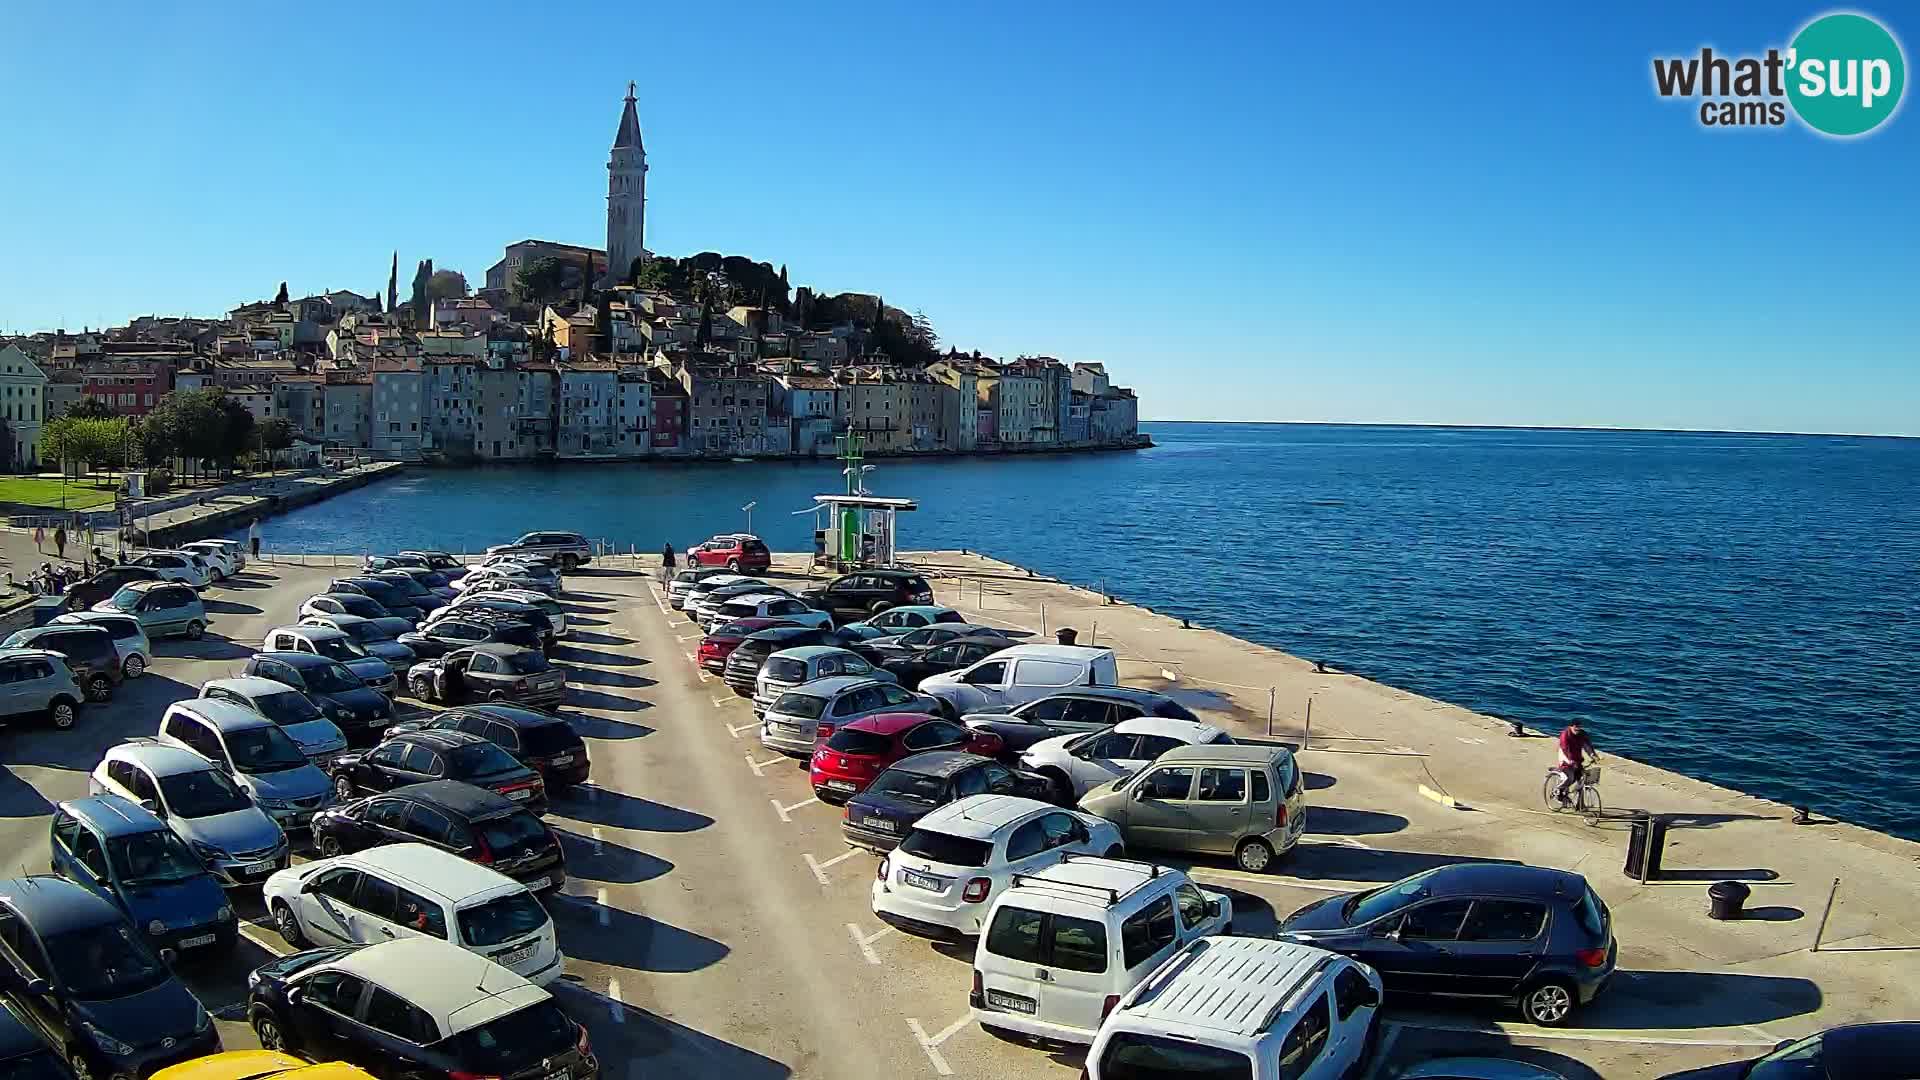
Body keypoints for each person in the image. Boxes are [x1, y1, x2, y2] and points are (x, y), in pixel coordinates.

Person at [1553, 720, 1598, 804]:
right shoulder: (1565, 735)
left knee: (1582, 780)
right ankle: (1558, 791)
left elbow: (1587, 745)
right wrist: (1570, 760)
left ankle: (1580, 804)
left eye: (1579, 727)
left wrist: (1593, 755)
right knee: (1569, 778)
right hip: (1565, 758)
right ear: (1570, 727)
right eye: (1576, 727)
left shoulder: (1582, 734)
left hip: (1577, 759)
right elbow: (1564, 748)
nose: (1578, 729)